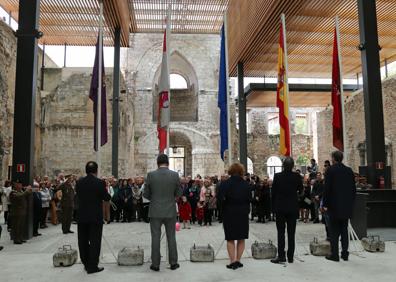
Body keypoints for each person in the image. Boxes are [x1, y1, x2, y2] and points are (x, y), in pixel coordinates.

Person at [143, 154, 182, 272]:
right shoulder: (175, 175)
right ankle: (173, 263)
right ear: (168, 163)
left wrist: (154, 199)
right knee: (171, 237)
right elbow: (179, 192)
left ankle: (155, 264)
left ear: (157, 163)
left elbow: (145, 194)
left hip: (155, 210)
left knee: (155, 237)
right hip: (170, 210)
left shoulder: (151, 175)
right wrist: (172, 198)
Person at [76, 161, 111, 274]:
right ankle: (92, 266)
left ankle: (86, 263)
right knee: (95, 241)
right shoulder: (99, 183)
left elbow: (79, 196)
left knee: (83, 240)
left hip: (82, 216)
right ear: (96, 170)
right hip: (95, 217)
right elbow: (106, 197)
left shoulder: (79, 182)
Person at [323, 151, 356, 262]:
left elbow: (327, 189)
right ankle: (345, 254)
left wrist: (325, 204)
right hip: (346, 206)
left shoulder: (330, 171)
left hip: (334, 206)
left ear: (333, 159)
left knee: (334, 231)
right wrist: (351, 203)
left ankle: (335, 255)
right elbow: (353, 190)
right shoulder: (349, 171)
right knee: (344, 230)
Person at [218, 163, 251, 270]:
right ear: (241, 171)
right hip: (242, 213)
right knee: (241, 238)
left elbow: (220, 199)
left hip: (229, 213)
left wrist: (221, 212)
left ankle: (232, 261)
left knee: (230, 238)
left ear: (230, 171)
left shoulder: (224, 184)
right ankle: (238, 260)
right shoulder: (246, 184)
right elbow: (249, 199)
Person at [271, 157, 303, 264]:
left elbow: (273, 193)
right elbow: (301, 191)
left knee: (281, 233)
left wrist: (273, 207)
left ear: (283, 165)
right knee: (291, 233)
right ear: (293, 166)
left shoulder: (278, 176)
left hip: (280, 208)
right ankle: (290, 257)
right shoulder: (297, 176)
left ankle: (281, 256)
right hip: (293, 208)